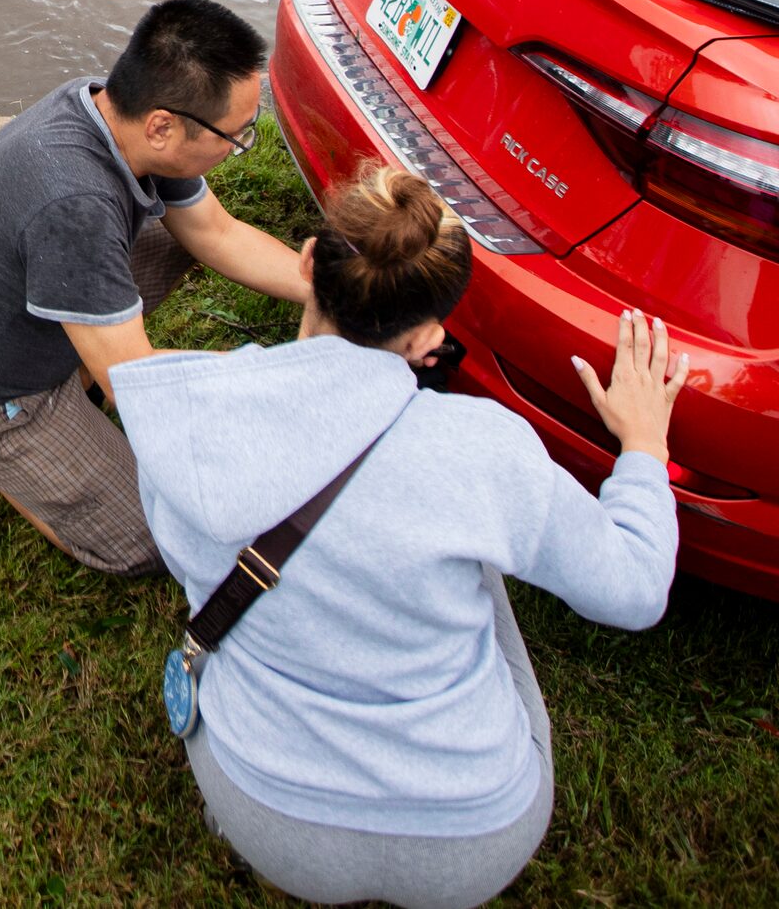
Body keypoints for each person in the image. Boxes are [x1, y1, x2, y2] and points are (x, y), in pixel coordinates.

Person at [111, 164, 690, 909]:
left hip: (273, 825)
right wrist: (642, 447)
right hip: (472, 843)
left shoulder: (184, 408)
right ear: (427, 338)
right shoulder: (485, 449)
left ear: (307, 262)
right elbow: (635, 592)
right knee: (479, 550)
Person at [0, 0, 312, 574]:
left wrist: (331, 293)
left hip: (17, 317)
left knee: (175, 237)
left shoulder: (108, 108)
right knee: (156, 539)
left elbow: (216, 233)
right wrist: (299, 383)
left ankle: (69, 384)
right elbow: (136, 381)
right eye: (236, 136)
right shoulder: (75, 202)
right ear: (163, 125)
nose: (239, 147)